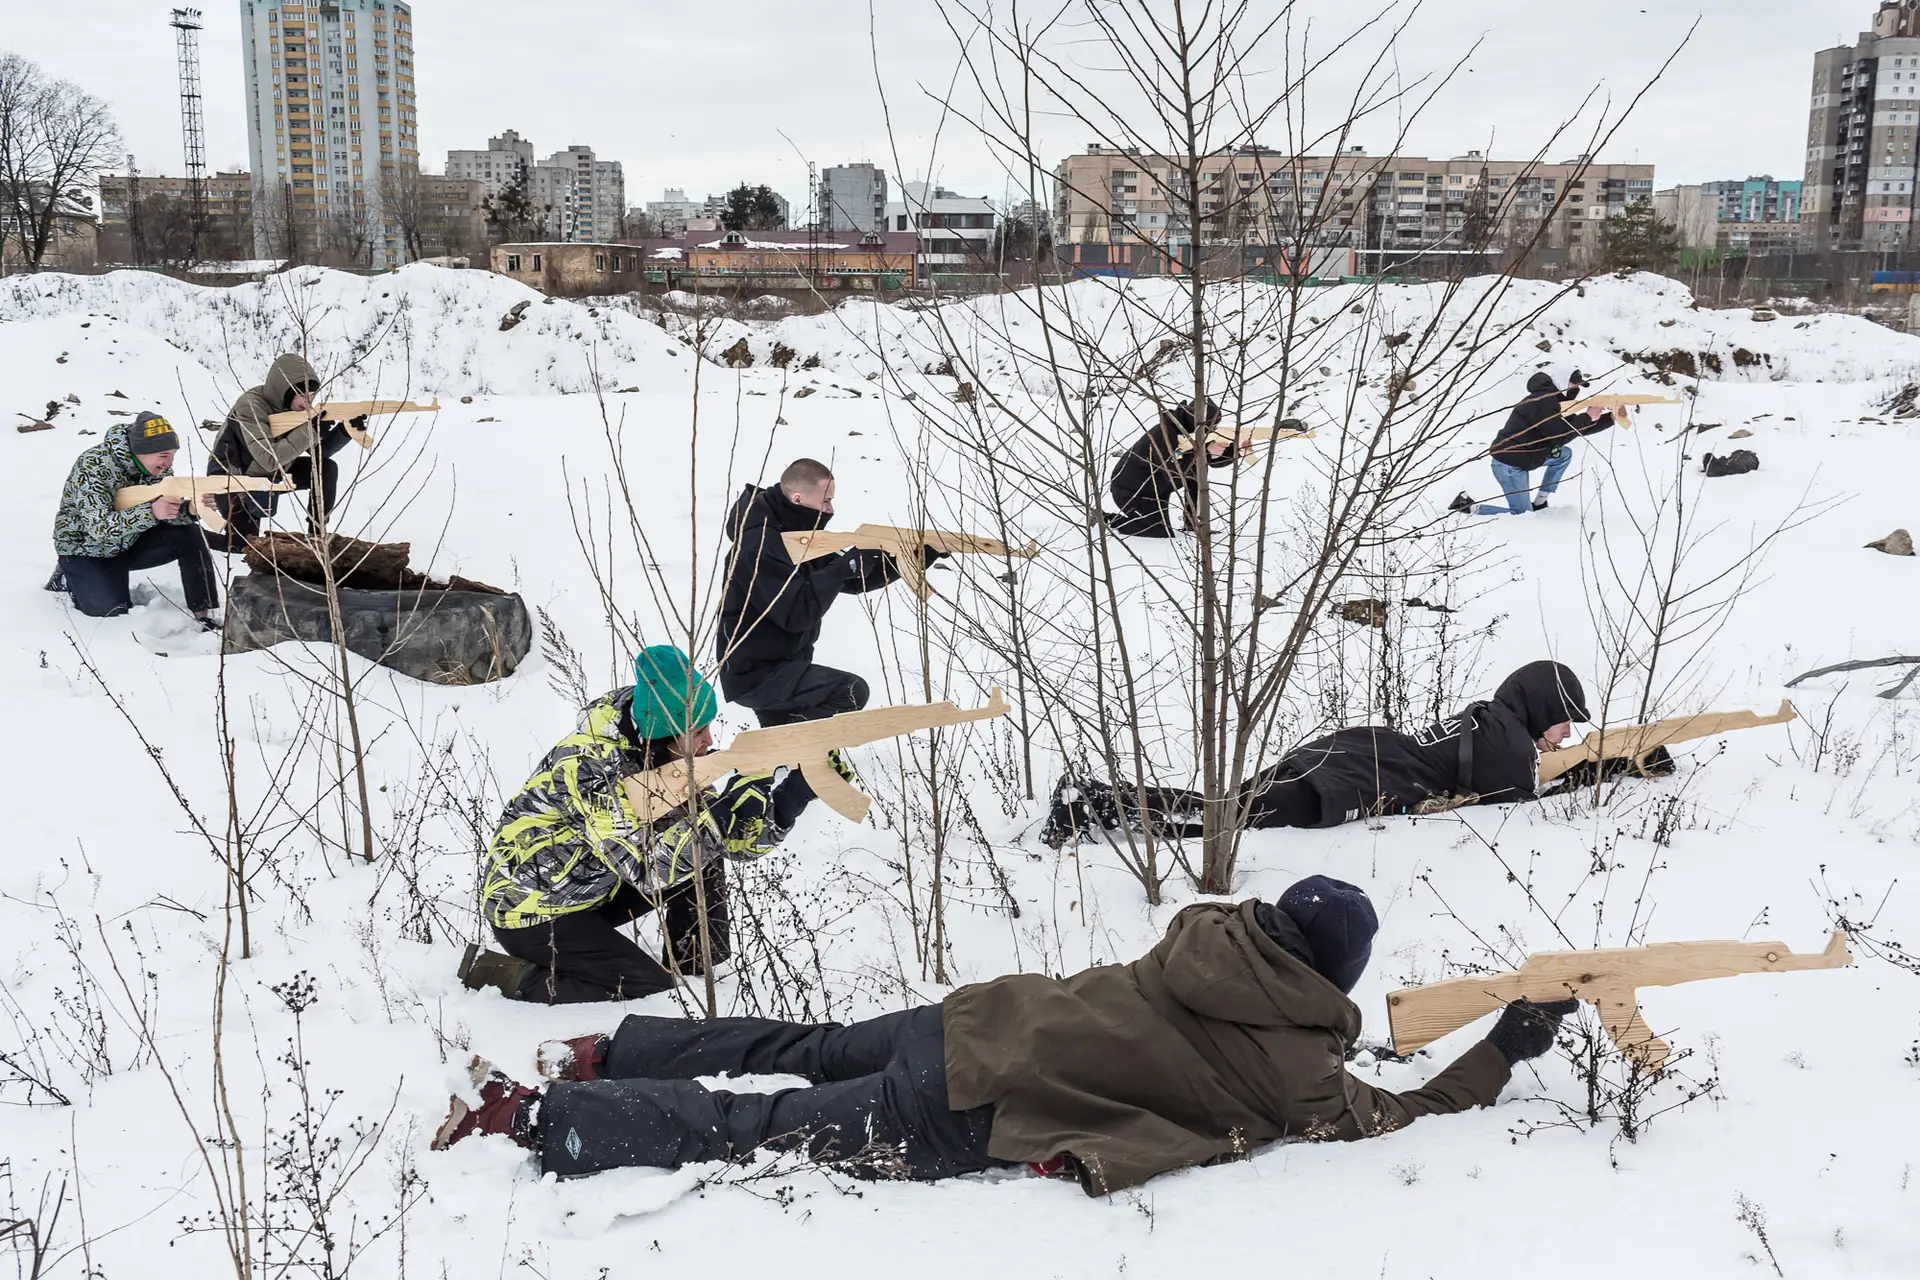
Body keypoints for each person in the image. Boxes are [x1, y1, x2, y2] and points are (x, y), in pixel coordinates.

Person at [431, 877, 1577, 1195]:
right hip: (972, 1104)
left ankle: (604, 1052)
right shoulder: (1295, 1071)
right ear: (1333, 980)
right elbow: (1402, 1112)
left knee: (796, 1045)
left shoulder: (1203, 935)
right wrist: (1505, 1044)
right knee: (762, 1128)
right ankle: (545, 1120)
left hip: (974, 1015)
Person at [457, 646, 812, 1003]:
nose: (709, 740)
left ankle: (695, 969)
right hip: (532, 910)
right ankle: (500, 976)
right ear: (664, 730)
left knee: (702, 852)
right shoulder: (587, 766)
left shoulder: (668, 758)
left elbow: (726, 845)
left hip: (594, 888)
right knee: (645, 990)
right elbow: (644, 868)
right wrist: (719, 819)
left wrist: (790, 798)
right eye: (698, 730)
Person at [1043, 660, 1589, 846]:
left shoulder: (1492, 718)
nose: (1566, 736)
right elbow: (1521, 803)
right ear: (1542, 707)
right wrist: (1594, 771)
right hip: (1350, 782)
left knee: (1226, 802)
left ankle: (1096, 798)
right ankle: (1094, 807)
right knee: (1225, 821)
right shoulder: (1511, 746)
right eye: (1566, 722)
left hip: (1349, 750)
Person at [716, 458, 936, 810]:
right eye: (827, 501)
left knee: (786, 759)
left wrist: (915, 557)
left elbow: (850, 578)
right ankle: (770, 768)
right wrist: (840, 566)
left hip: (781, 667)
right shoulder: (758, 544)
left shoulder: (795, 530)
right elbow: (796, 612)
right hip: (755, 672)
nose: (832, 509)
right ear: (800, 498)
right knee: (850, 691)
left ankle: (762, 811)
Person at [50, 411, 221, 627]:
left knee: (190, 533)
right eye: (163, 455)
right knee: (110, 612)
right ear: (141, 451)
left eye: (172, 455)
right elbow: (98, 528)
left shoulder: (157, 470)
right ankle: (66, 575)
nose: (169, 463)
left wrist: (191, 511)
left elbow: (166, 514)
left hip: (128, 543)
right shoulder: (93, 466)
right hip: (85, 550)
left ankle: (203, 614)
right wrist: (151, 512)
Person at [204, 352, 360, 549]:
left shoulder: (294, 409)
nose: (307, 402)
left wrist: (345, 431)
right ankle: (193, 538)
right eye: (302, 395)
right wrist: (310, 430)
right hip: (231, 476)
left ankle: (317, 533)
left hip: (269, 473)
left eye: (311, 396)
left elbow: (320, 454)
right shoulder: (250, 406)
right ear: (284, 390)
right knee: (241, 545)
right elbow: (268, 458)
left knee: (325, 469)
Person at [1450, 369, 1615, 516]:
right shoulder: (1542, 402)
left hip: (1527, 455)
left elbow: (1575, 428)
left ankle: (1540, 502)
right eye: (1573, 384)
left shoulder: (1556, 404)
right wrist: (1587, 417)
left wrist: (1609, 418)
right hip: (1510, 463)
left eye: (1578, 386)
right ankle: (1467, 507)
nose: (1575, 389)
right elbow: (1558, 436)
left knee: (1564, 455)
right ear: (1562, 382)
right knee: (1521, 514)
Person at [1102, 398, 1238, 538]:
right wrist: (1206, 451)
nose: (1211, 431)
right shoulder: (1164, 434)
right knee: (1159, 531)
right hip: (1131, 491)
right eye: (1209, 427)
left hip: (1156, 490)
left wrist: (1235, 450)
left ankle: (1191, 523)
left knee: (1197, 472)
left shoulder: (1193, 435)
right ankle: (1108, 522)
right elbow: (1174, 472)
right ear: (1195, 422)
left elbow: (1206, 465)